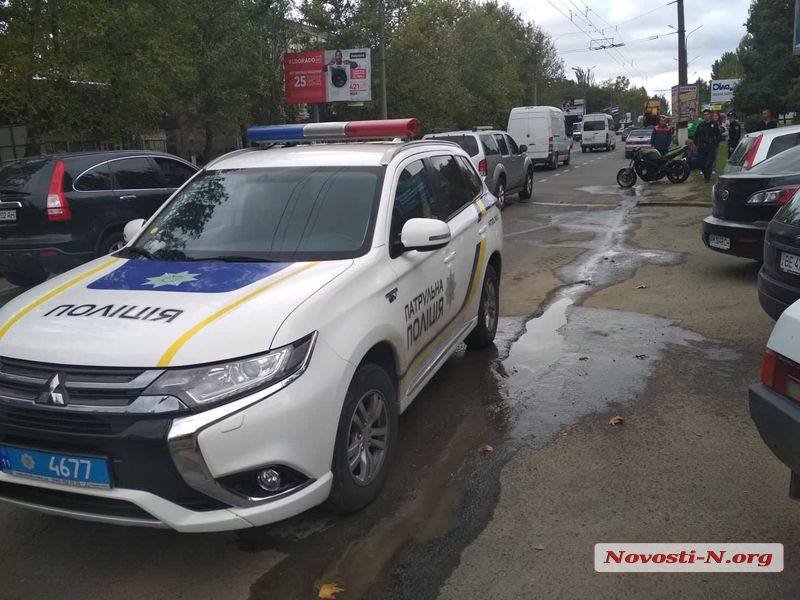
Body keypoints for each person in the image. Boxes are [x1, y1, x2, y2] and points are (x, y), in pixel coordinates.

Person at [694, 109, 722, 183]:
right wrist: (697, 145)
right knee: (702, 163)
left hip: (711, 147)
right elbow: (696, 136)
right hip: (702, 147)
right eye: (705, 114)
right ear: (703, 116)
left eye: (707, 114)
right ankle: (705, 174)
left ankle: (707, 178)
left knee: (709, 162)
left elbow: (718, 135)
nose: (706, 116)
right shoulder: (701, 125)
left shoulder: (714, 124)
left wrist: (715, 144)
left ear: (710, 115)